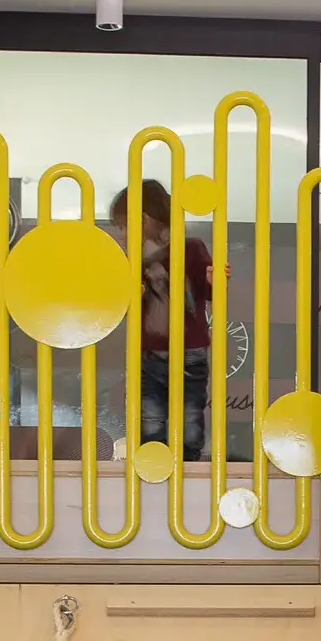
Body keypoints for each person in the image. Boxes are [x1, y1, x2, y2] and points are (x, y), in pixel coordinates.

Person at [108, 178, 214, 458]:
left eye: (122, 226)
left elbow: (210, 292)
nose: (120, 234)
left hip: (188, 351)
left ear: (142, 220)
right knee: (150, 422)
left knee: (189, 419)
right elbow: (119, 304)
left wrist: (215, 279)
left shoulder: (190, 248)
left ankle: (186, 469)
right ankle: (153, 471)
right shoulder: (129, 261)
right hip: (149, 352)